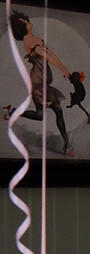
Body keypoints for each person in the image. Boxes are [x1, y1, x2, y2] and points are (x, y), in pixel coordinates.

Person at [8, 10, 73, 156]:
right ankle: (13, 112)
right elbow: (48, 57)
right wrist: (63, 69)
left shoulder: (36, 39)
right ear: (21, 27)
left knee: (55, 111)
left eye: (26, 20)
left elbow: (51, 54)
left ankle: (67, 145)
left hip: (44, 82)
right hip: (37, 83)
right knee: (42, 115)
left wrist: (64, 68)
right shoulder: (28, 40)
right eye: (24, 22)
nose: (28, 22)